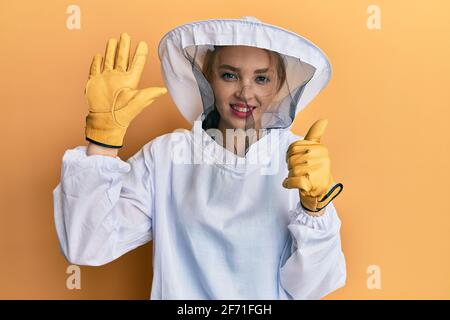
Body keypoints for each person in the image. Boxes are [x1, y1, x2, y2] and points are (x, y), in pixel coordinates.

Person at [53, 16, 346, 299]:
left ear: (279, 84)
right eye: (229, 75)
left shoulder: (299, 159)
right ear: (207, 78)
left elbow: (311, 288)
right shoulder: (166, 155)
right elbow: (87, 246)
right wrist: (102, 140)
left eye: (261, 78)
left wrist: (315, 209)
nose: (245, 92)